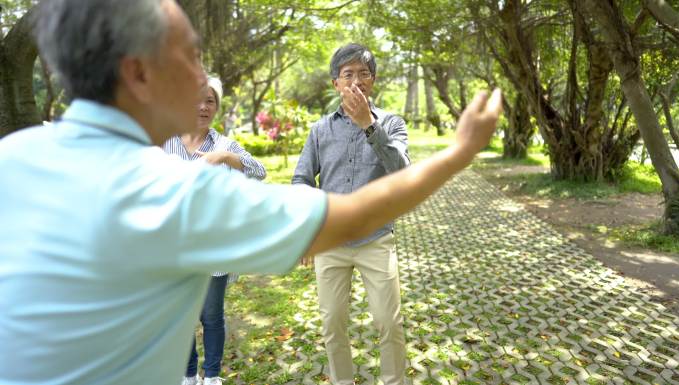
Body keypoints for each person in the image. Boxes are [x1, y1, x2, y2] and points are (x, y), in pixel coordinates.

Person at [0, 1, 502, 384]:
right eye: (191, 56)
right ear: (137, 72)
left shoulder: (11, 158)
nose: (203, 80)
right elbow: (341, 214)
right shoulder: (182, 191)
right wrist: (457, 154)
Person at [292, 43, 410, 385]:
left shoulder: (393, 123)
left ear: (373, 80)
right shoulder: (320, 131)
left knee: (389, 322)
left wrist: (369, 126)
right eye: (348, 74)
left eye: (363, 73)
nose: (356, 81)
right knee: (332, 324)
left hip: (376, 239)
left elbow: (402, 172)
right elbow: (301, 179)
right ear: (336, 83)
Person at [162, 75, 266, 385]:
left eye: (210, 101)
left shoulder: (224, 144)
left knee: (211, 315)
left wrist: (224, 157)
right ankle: (188, 373)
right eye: (197, 99)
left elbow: (259, 171)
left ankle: (212, 376)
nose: (203, 106)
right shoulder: (166, 142)